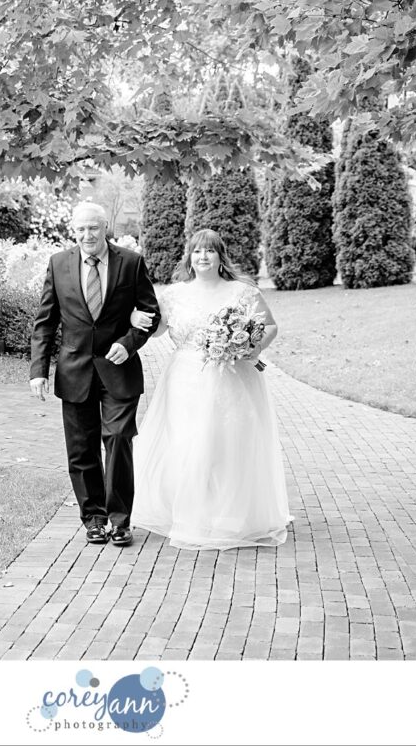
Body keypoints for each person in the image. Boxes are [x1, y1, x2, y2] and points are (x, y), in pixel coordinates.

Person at [129, 229, 294, 550]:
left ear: (221, 257)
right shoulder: (174, 294)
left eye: (210, 251)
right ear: (189, 258)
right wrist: (135, 316)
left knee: (226, 444)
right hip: (185, 382)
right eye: (196, 252)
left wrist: (250, 346)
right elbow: (157, 329)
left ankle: (228, 516)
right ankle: (191, 513)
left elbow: (269, 326)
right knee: (188, 443)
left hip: (232, 380)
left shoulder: (241, 292)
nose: (203, 257)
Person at [30, 202, 160, 547]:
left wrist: (129, 343)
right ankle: (94, 519)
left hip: (119, 370)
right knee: (81, 449)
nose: (87, 235)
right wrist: (38, 370)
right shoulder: (58, 265)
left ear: (106, 228)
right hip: (75, 372)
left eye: (93, 228)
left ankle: (120, 520)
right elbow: (45, 322)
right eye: (81, 229)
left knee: (118, 439)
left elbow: (150, 313)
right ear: (74, 231)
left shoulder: (130, 263)